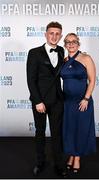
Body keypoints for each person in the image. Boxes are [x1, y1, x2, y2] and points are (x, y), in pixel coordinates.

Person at [26, 21, 67, 177]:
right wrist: (37, 101)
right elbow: (31, 79)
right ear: (46, 34)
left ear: (60, 36)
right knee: (40, 132)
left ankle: (59, 164)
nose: (54, 36)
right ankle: (40, 162)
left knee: (57, 134)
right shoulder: (34, 53)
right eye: (51, 33)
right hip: (40, 101)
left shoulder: (62, 51)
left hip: (57, 100)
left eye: (57, 34)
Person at [60, 33, 96, 173]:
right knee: (70, 130)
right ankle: (71, 154)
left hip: (82, 101)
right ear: (65, 44)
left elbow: (92, 80)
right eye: (68, 42)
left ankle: (77, 158)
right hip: (67, 102)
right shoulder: (64, 60)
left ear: (78, 43)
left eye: (74, 41)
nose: (71, 44)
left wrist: (86, 98)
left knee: (80, 130)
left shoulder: (86, 58)